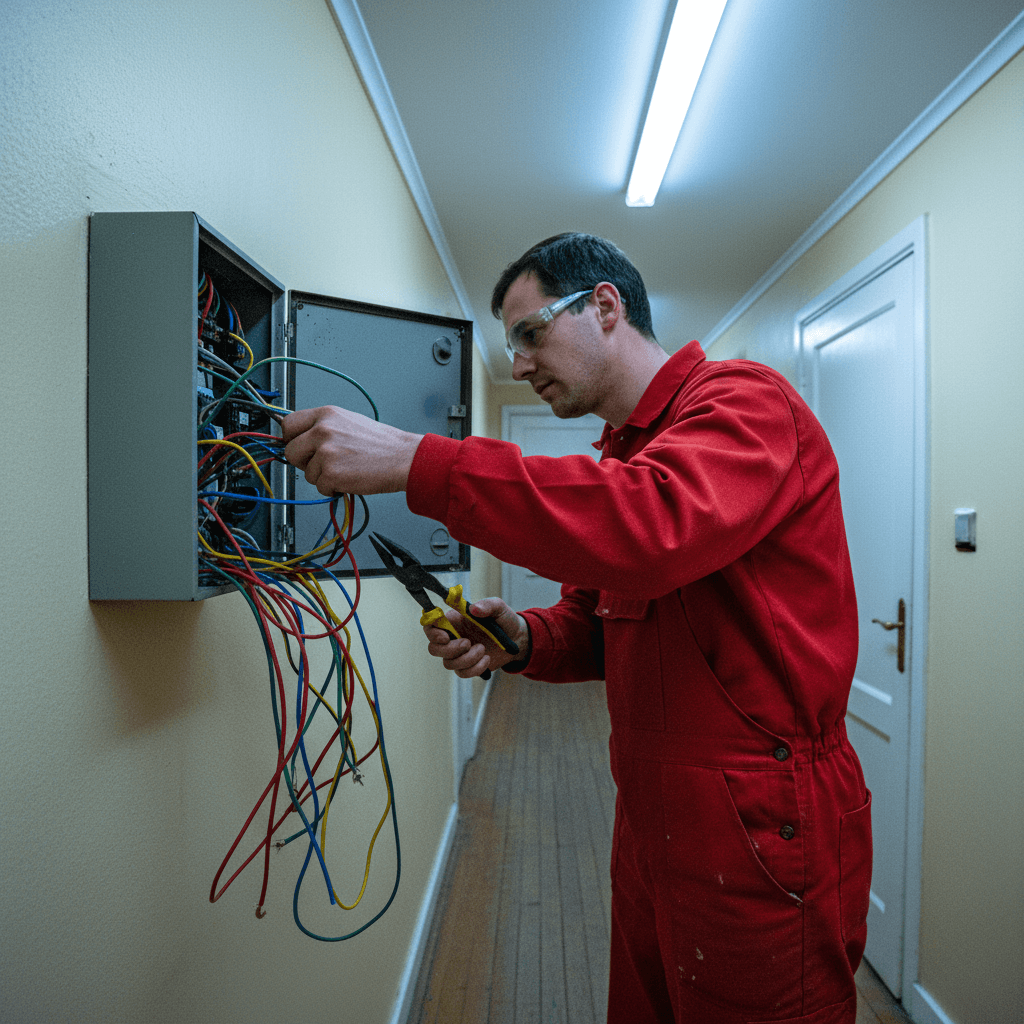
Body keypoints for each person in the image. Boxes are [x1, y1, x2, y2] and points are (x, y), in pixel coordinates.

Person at [282, 233, 872, 1024]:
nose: (520, 364)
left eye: (531, 333)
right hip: (652, 820)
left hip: (766, 822)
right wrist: (519, 637)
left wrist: (417, 460)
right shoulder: (625, 456)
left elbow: (652, 529)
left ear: (604, 306)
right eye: (512, 345)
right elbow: (597, 623)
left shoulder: (745, 403)